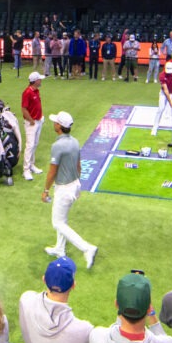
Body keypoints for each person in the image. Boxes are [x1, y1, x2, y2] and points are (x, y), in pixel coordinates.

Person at [41, 111, 97, 268]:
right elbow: (79, 166)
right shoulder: (75, 142)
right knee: (62, 220)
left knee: (58, 223)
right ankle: (60, 248)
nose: (53, 124)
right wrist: (78, 187)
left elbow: (52, 171)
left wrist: (45, 190)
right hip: (74, 185)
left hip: (64, 189)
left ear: (59, 126)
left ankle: (87, 248)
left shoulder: (57, 146)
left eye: (55, 122)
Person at [151, 55, 172, 137]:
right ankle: (155, 128)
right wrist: (170, 101)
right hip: (164, 93)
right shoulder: (162, 75)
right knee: (161, 109)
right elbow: (165, 89)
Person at [20, 71, 45, 181]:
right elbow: (24, 109)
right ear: (35, 81)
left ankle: (31, 165)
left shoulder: (36, 91)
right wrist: (31, 120)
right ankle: (26, 170)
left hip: (38, 120)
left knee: (35, 144)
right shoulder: (27, 93)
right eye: (39, 79)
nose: (41, 80)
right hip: (32, 123)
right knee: (30, 146)